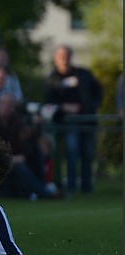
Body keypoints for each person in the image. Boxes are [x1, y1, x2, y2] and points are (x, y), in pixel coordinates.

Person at [44, 45, 102, 194]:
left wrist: (90, 106)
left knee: (88, 154)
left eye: (66, 54)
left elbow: (97, 90)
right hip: (68, 123)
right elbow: (49, 100)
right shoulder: (52, 79)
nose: (64, 58)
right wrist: (64, 107)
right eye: (61, 55)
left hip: (87, 120)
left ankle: (87, 187)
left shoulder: (83, 74)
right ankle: (71, 186)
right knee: (72, 152)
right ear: (55, 58)